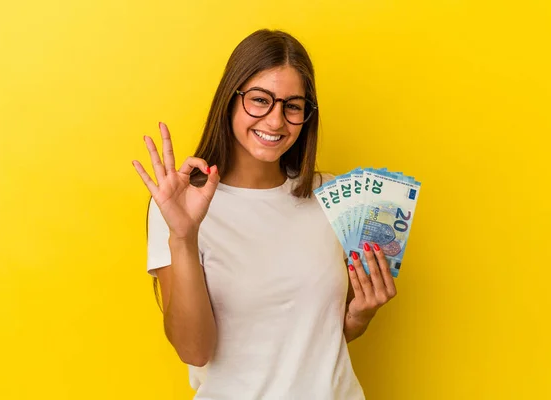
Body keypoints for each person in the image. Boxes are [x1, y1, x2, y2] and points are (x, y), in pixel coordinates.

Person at [132, 29, 397, 399]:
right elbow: (194, 350)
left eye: (292, 106)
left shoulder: (333, 196)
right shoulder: (179, 204)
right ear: (230, 99)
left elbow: (313, 334)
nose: (275, 122)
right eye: (260, 100)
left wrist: (359, 315)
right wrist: (183, 237)